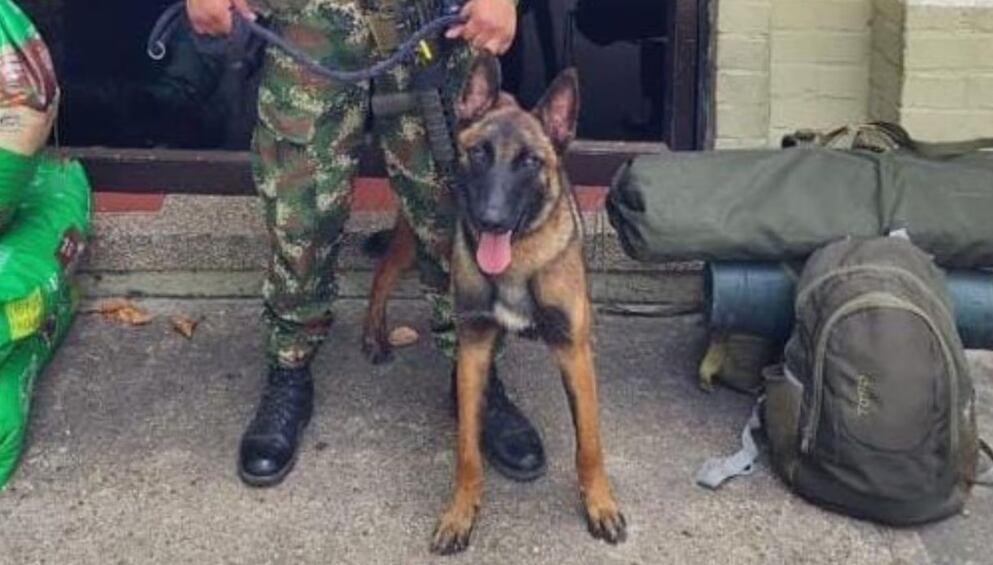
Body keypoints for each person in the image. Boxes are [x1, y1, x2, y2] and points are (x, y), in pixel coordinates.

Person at [185, 0, 546, 487]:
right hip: (311, 19)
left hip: (433, 24)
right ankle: (289, 366)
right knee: (300, 211)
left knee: (455, 210)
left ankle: (476, 374)